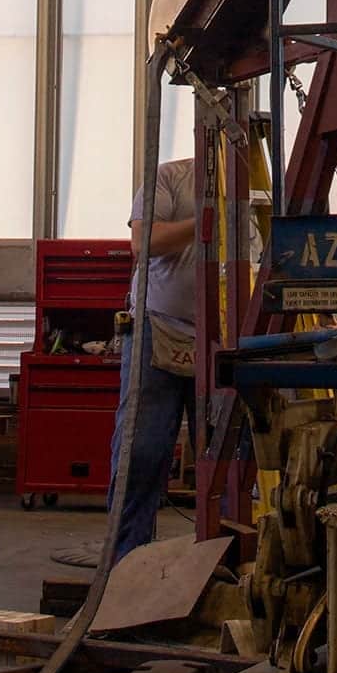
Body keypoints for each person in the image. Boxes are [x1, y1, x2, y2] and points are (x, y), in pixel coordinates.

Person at [107, 158, 199, 562]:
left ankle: (231, 556)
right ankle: (126, 560)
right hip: (158, 326)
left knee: (230, 458)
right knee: (141, 449)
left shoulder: (263, 186)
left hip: (228, 335)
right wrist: (208, 220)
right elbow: (143, 241)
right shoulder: (170, 178)